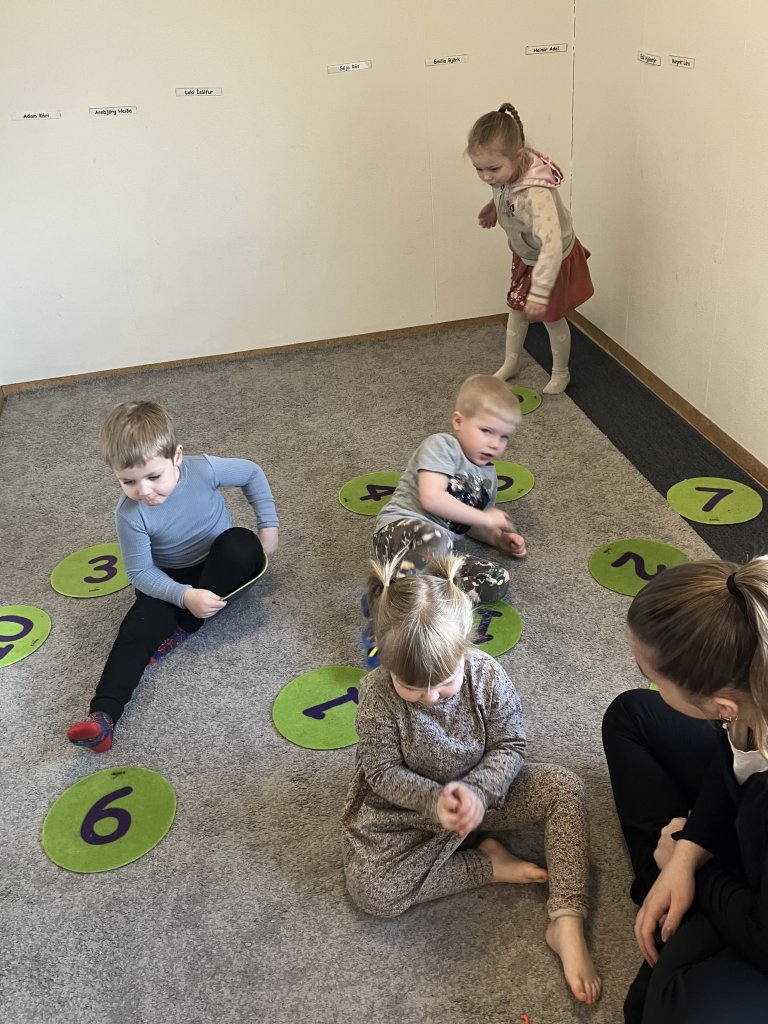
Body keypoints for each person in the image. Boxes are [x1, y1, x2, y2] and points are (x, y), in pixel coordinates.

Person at [343, 554, 602, 1006]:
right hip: (410, 810)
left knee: (565, 788)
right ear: (382, 658)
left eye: (443, 683)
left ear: (466, 649)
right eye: (412, 686)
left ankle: (566, 920)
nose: (429, 697)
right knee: (372, 891)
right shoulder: (377, 696)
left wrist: (479, 791)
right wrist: (434, 800)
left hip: (488, 795)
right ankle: (488, 865)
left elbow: (511, 744)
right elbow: (381, 771)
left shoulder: (486, 675)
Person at [602, 556, 768, 1023]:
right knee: (632, 715)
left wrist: (696, 867)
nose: (649, 682)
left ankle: (680, 902)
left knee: (671, 1006)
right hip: (747, 825)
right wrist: (688, 851)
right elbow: (728, 763)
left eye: (654, 678)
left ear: (723, 705)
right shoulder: (748, 699)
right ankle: (676, 891)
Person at [66, 401, 278, 752]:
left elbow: (251, 473)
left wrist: (268, 526)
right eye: (128, 481)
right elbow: (140, 573)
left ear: (177, 456)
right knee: (135, 631)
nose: (144, 491)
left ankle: (186, 625)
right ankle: (103, 718)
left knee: (241, 543)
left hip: (223, 564)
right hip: (168, 579)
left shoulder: (204, 469)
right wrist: (184, 596)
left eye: (153, 477)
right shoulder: (130, 514)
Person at [467, 103, 594, 394]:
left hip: (552, 260)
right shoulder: (505, 174)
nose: (486, 177)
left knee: (551, 318)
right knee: (516, 308)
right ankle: (511, 362)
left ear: (518, 156)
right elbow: (504, 193)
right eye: (479, 169)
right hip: (526, 255)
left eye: (493, 169)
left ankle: (561, 372)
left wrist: (540, 291)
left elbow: (551, 245)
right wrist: (492, 208)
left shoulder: (537, 194)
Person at [373, 374, 526, 607]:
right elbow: (432, 498)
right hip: (400, 533)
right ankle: (395, 600)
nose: (495, 444)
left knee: (497, 579)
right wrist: (486, 517)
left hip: (438, 552)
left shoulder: (488, 477)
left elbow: (469, 523)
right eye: (486, 431)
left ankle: (427, 598)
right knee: (436, 540)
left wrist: (498, 538)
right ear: (458, 422)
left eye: (504, 436)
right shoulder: (442, 446)